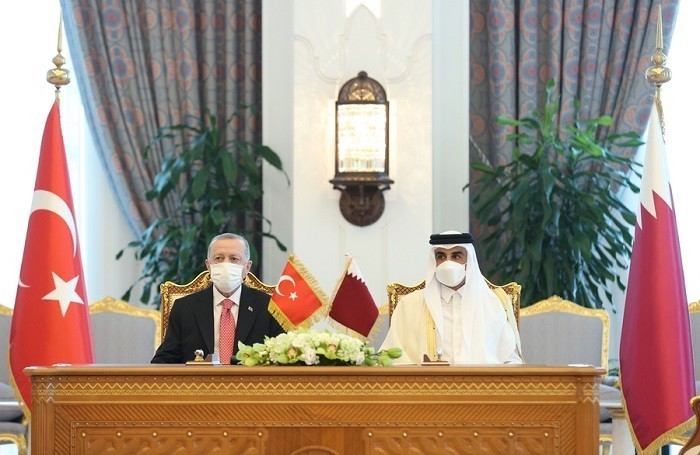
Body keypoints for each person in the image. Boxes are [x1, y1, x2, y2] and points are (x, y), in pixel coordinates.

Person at [381, 231, 522, 364]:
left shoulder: (492, 304)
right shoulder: (410, 305)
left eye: (456, 256)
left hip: (480, 381)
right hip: (426, 382)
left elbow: (509, 359)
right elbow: (391, 358)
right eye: (441, 256)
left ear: (469, 261)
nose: (448, 263)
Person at [152, 233, 284, 364]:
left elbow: (281, 360)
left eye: (234, 259)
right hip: (199, 378)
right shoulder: (184, 308)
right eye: (219, 258)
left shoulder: (269, 307)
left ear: (247, 267)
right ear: (208, 265)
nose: (226, 264)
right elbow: (163, 361)